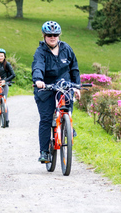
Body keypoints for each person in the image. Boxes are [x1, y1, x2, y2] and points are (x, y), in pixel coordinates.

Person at [32, 21, 81, 163]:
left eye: (55, 35)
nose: (52, 37)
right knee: (46, 119)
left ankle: (67, 125)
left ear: (59, 35)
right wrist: (38, 80)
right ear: (44, 36)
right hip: (45, 87)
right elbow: (38, 66)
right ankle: (45, 152)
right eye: (49, 35)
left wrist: (76, 87)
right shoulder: (40, 51)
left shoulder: (67, 49)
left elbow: (74, 69)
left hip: (64, 84)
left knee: (66, 106)